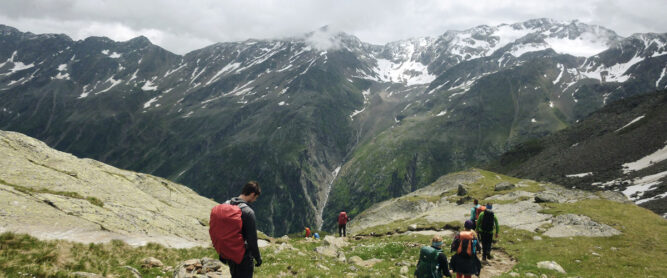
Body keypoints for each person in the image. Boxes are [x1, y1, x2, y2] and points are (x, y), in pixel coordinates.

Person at [222, 181, 262, 278]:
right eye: (255, 198)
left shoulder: (226, 205)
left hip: (230, 254)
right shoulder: (248, 212)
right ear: (252, 194)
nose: (255, 200)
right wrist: (258, 258)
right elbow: (252, 239)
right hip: (243, 257)